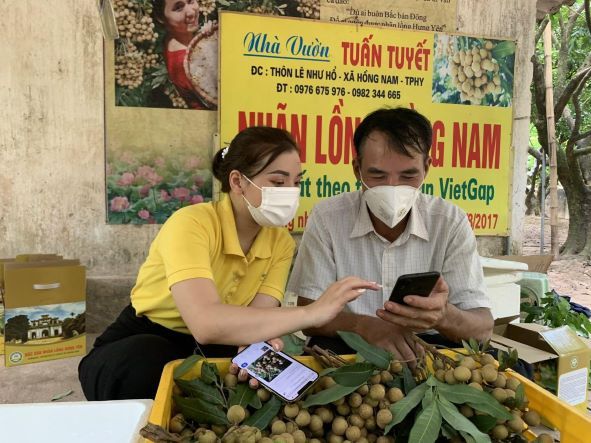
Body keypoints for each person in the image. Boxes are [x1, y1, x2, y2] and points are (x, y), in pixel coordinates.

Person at [79, 126, 378, 400]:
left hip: (218, 344)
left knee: (266, 383)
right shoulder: (192, 224)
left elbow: (258, 317)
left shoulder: (281, 243)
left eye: (296, 182)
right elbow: (206, 323)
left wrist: (255, 342)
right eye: (277, 181)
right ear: (237, 181)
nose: (290, 192)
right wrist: (313, 312)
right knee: (150, 364)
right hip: (146, 339)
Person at [287, 107, 493, 363]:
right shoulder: (328, 219)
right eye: (377, 175)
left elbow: (482, 329)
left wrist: (443, 316)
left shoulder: (449, 222)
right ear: (357, 169)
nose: (393, 187)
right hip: (349, 348)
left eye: (408, 175)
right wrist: (364, 327)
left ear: (426, 168)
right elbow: (310, 316)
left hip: (427, 349)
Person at [152, 0, 212, 109]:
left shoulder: (173, 39)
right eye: (178, 8)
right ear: (160, 18)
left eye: (191, 1)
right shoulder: (185, 63)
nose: (191, 12)